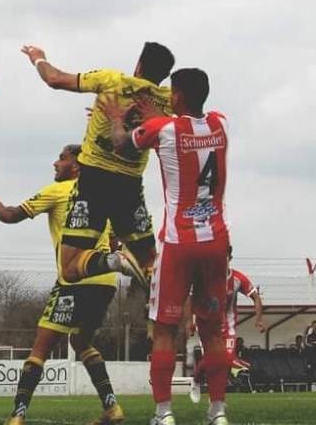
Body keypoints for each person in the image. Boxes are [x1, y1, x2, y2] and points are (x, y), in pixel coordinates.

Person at [100, 67, 231, 425]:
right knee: (213, 331)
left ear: (179, 96)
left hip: (178, 243)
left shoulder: (164, 130)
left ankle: (164, 413)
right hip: (216, 242)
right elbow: (183, 124)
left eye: (173, 92)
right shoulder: (221, 124)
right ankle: (218, 412)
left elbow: (121, 143)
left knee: (164, 329)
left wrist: (117, 118)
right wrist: (160, 114)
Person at [0, 144, 123, 425]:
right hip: (106, 281)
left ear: (76, 166)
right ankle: (112, 408)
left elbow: (12, 215)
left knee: (41, 346)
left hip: (74, 279)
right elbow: (115, 240)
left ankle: (17, 416)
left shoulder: (58, 191)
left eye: (62, 159)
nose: (55, 164)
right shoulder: (103, 195)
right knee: (80, 340)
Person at [20, 42, 175, 289]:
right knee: (150, 265)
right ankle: (173, 306)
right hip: (130, 187)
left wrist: (38, 58)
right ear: (164, 75)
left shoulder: (111, 81)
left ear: (138, 65)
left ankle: (114, 260)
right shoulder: (167, 101)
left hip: (94, 182)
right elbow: (187, 124)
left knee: (69, 268)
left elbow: (54, 79)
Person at [189, 247, 265, 404]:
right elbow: (192, 298)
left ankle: (215, 398)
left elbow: (256, 297)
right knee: (211, 360)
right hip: (208, 326)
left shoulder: (238, 279)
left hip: (228, 326)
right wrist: (191, 322)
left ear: (230, 258)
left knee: (225, 360)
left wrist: (258, 320)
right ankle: (196, 380)